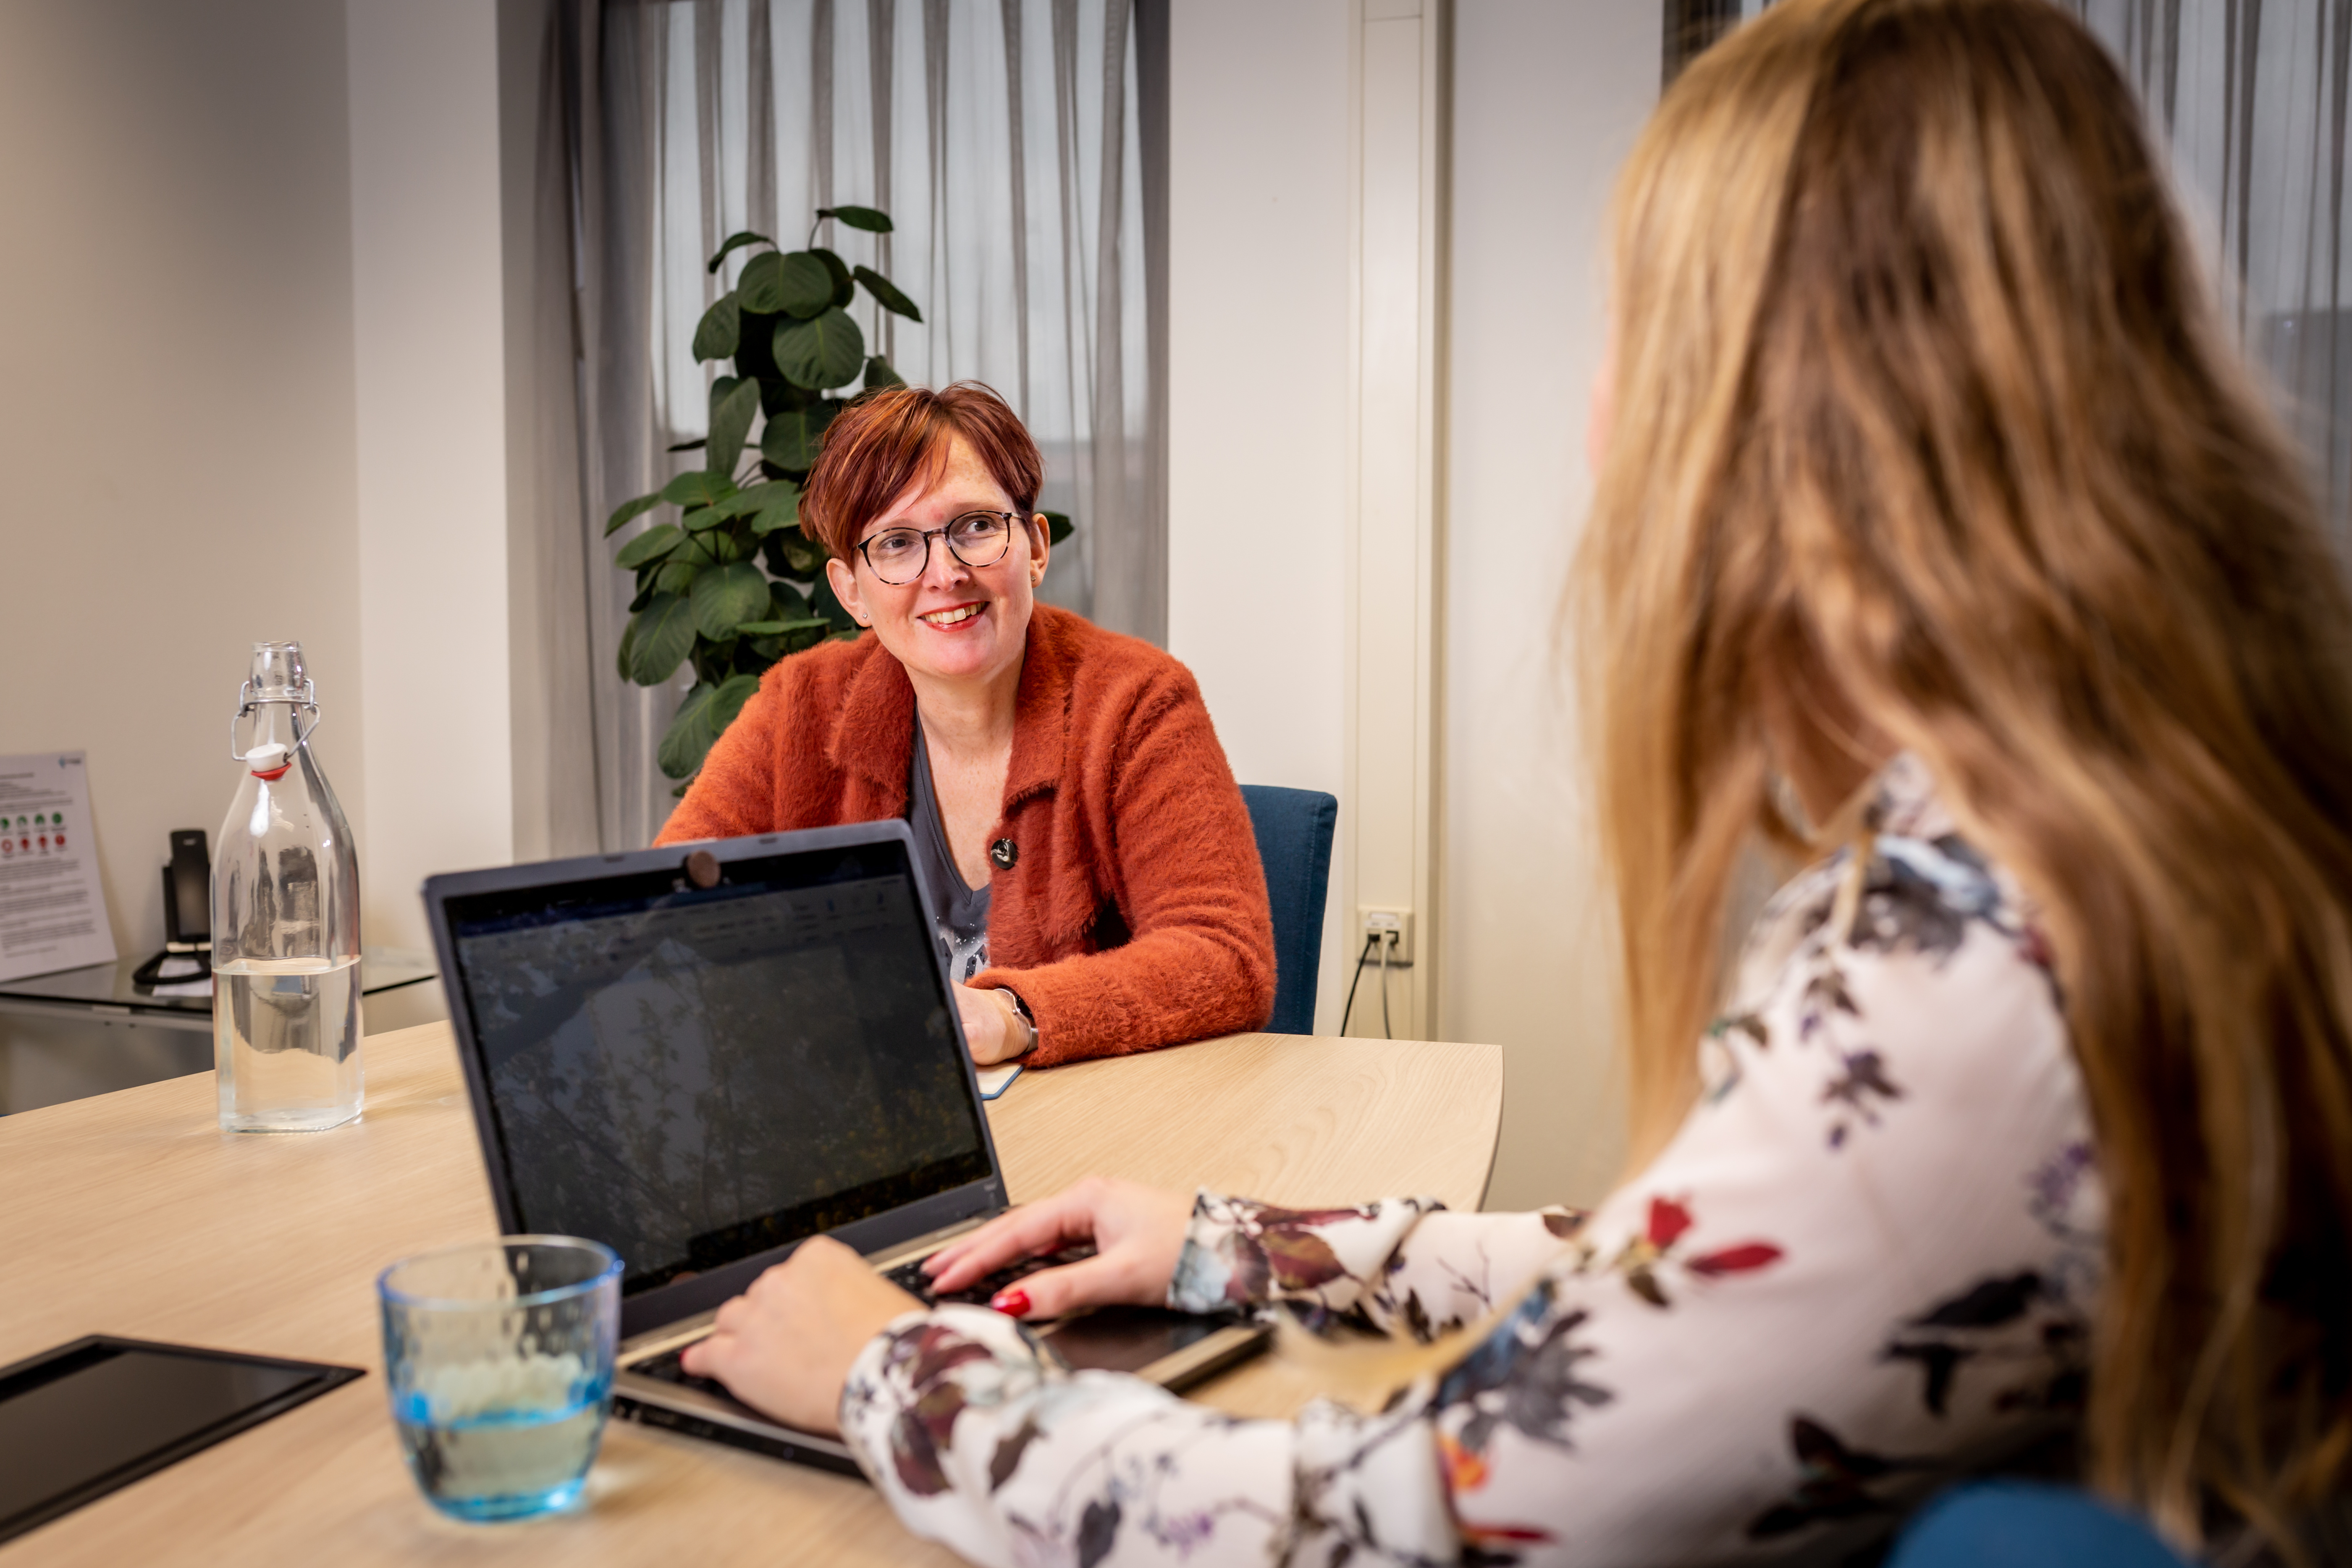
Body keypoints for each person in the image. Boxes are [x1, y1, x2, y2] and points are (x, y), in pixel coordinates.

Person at [682, 0, 2352, 1561]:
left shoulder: (1959, 963)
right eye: (890, 544)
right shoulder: (2110, 841)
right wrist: (1236, 1243)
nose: (1597, 426)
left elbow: (1397, 1509)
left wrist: (884, 1372)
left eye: (1634, 336)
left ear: (1801, 405)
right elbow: (1697, 1263)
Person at [655, 382, 1276, 1067]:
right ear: (851, 590)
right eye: (896, 542)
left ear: (1034, 548)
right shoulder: (798, 706)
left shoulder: (1137, 704)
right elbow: (666, 912)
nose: (945, 573)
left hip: (1090, 1136)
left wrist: (1013, 1015)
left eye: (975, 526)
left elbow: (1225, 956)